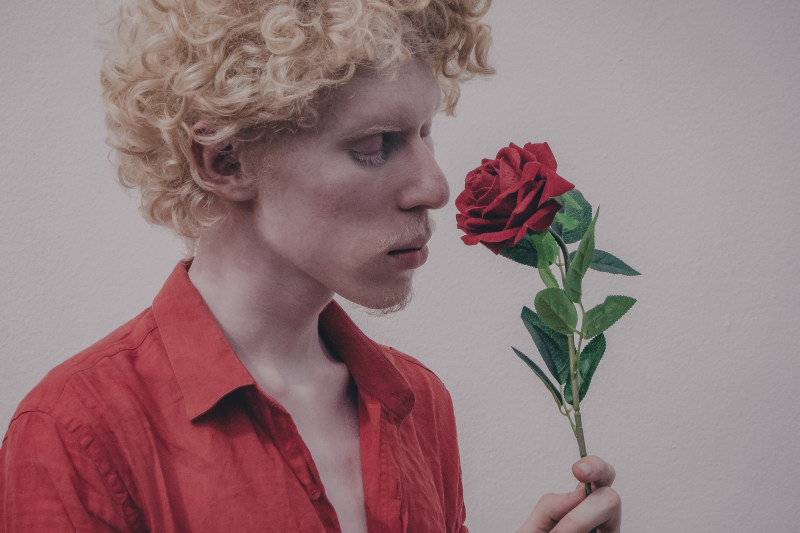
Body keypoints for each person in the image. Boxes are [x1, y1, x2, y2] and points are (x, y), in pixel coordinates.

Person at [0, 0, 621, 531]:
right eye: (375, 146)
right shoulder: (76, 433)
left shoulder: (418, 403)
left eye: (426, 133)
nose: (434, 187)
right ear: (226, 162)